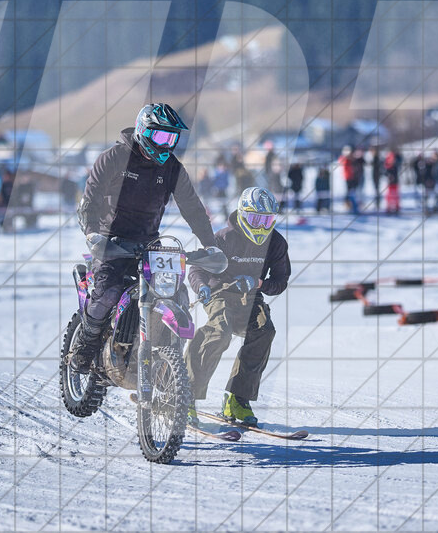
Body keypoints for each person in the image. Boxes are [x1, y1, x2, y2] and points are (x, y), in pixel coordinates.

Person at [68, 103, 217, 373]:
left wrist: (211, 245)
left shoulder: (172, 167)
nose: (167, 145)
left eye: (172, 138)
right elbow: (89, 200)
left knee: (175, 293)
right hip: (110, 242)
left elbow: (193, 208)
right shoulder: (113, 158)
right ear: (143, 131)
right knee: (108, 292)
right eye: (161, 137)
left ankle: (165, 367)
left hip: (150, 245)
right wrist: (92, 233)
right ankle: (84, 348)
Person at [185, 187, 290, 425]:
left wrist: (258, 282)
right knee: (220, 331)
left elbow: (281, 281)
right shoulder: (223, 239)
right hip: (219, 293)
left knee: (264, 330)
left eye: (267, 220)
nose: (261, 227)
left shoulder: (276, 243)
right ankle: (185, 395)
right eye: (255, 219)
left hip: (251, 296)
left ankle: (237, 399)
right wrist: (201, 286)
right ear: (243, 215)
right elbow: (198, 268)